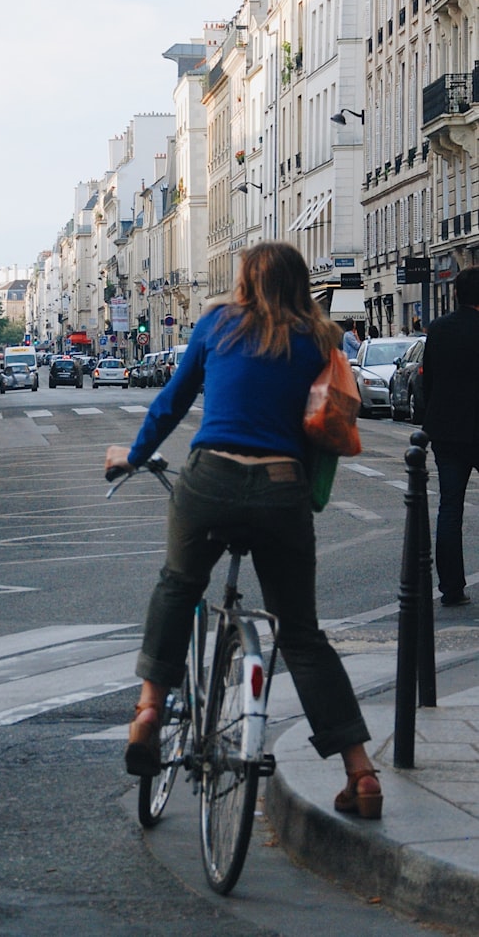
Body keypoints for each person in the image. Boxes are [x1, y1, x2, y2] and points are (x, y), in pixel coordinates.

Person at [104, 242, 383, 821]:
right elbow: (329, 423)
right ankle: (361, 772)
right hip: (282, 489)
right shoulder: (322, 339)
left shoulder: (217, 324)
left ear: (244, 282)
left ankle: (150, 710)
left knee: (178, 586)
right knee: (302, 635)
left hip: (212, 479)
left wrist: (133, 455)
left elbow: (172, 402)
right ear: (302, 284)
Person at [422, 265, 479, 608]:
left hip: (447, 430)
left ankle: (451, 587)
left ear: (455, 294)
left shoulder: (439, 330)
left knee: (449, 507)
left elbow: (429, 382)